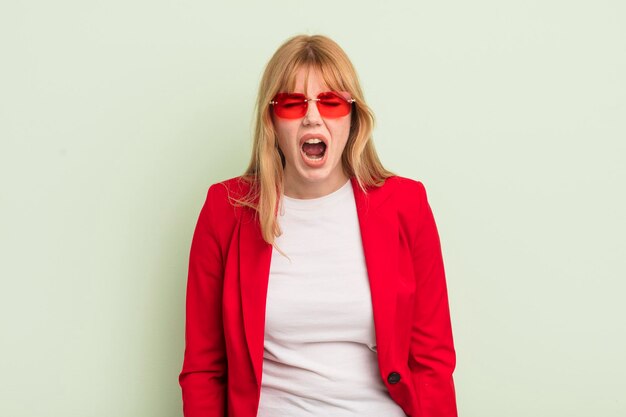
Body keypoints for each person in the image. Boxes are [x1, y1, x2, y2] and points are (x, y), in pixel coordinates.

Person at [178, 34, 458, 417]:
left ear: (352, 116)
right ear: (272, 121)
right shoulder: (226, 210)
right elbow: (203, 369)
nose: (313, 116)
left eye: (331, 101)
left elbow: (432, 362)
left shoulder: (406, 205)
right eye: (292, 104)